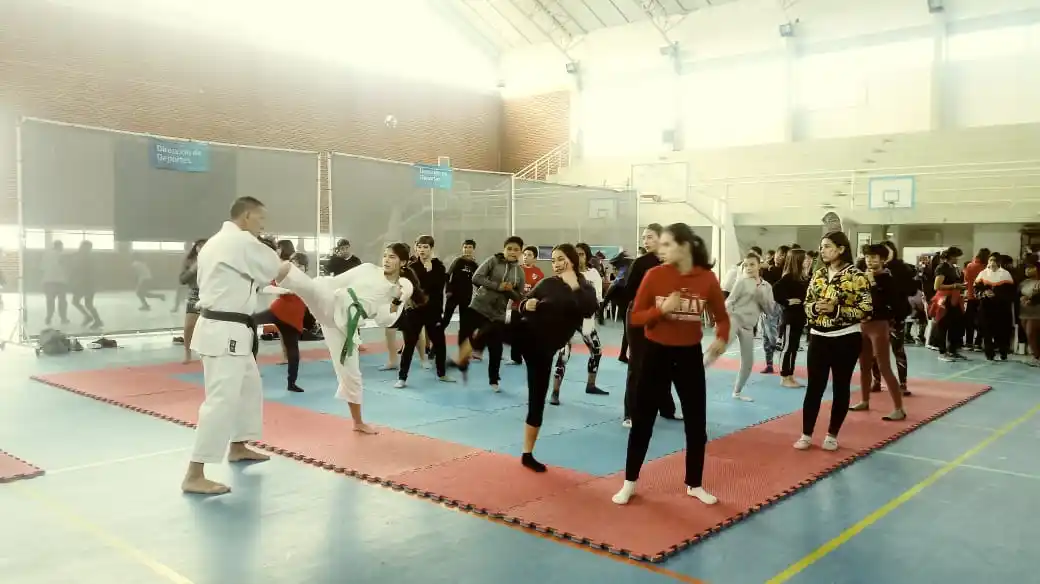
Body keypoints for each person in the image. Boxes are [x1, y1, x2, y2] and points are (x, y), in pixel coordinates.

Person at [612, 223, 730, 506]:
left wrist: (722, 338)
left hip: (689, 355)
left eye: (666, 245)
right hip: (656, 353)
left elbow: (722, 317)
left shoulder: (707, 279)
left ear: (685, 246)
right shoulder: (654, 275)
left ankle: (694, 483)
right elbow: (636, 317)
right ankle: (629, 481)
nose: (660, 251)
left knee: (696, 423)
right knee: (643, 420)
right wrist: (660, 310)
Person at [181, 197, 290, 496]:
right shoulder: (238, 241)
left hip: (231, 330)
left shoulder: (217, 243)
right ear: (246, 216)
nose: (262, 227)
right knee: (220, 401)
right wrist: (292, 269)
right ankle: (194, 473)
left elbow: (250, 278)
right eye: (260, 220)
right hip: (223, 330)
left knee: (249, 387)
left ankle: (239, 446)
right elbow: (276, 268)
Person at [280, 243, 419, 431]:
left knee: (351, 374)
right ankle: (272, 265)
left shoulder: (397, 290)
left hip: (346, 327)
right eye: (385, 255)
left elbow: (384, 320)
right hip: (333, 303)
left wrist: (398, 300)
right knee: (307, 286)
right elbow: (337, 282)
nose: (386, 260)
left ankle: (358, 423)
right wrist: (318, 284)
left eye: (392, 257)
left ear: (402, 261)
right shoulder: (368, 269)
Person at [516, 244, 599, 472]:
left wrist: (573, 284)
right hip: (527, 335)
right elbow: (523, 305)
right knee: (492, 330)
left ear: (572, 260)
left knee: (537, 400)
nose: (556, 264)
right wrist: (526, 304)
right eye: (553, 260)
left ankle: (527, 454)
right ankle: (469, 348)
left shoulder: (584, 287)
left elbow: (589, 309)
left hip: (544, 350)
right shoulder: (547, 283)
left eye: (561, 259)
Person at [795, 231, 871, 452]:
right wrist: (814, 308)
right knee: (814, 388)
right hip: (819, 338)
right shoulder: (818, 274)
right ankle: (806, 434)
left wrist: (837, 310)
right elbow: (807, 303)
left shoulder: (857, 276)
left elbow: (866, 309)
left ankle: (832, 434)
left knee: (841, 386)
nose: (823, 250)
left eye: (828, 246)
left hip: (846, 338)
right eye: (822, 246)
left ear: (841, 249)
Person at [622, 224, 680, 427]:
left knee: (663, 364)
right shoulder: (640, 263)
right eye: (644, 237)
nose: (645, 241)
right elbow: (628, 293)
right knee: (637, 366)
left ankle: (666, 409)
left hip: (661, 318)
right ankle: (630, 413)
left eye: (650, 237)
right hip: (639, 317)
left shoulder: (672, 262)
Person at [450, 236, 526, 391]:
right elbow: (476, 278)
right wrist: (498, 286)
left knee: (496, 348)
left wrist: (509, 289)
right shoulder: (493, 261)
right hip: (479, 306)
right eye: (509, 249)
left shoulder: (519, 272)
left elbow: (519, 296)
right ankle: (462, 359)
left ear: (520, 252)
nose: (512, 252)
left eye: (516, 249)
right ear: (504, 249)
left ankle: (494, 379)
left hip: (498, 313)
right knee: (466, 333)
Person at [849, 244, 907, 421]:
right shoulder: (860, 276)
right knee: (864, 364)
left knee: (884, 366)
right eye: (867, 257)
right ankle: (865, 400)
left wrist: (872, 283)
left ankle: (899, 408)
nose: (870, 260)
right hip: (862, 325)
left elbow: (887, 303)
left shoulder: (887, 278)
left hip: (879, 325)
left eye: (874, 257)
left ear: (882, 259)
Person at [549, 242, 609, 405]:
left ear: (587, 256)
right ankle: (555, 392)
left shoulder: (593, 274)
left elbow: (596, 299)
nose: (579, 257)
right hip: (565, 319)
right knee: (563, 354)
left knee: (596, 351)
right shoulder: (563, 274)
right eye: (576, 254)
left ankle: (591, 384)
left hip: (585, 318)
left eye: (582, 254)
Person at [396, 235, 453, 387]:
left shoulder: (439, 266)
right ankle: (402, 377)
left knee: (440, 342)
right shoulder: (411, 267)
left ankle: (442, 373)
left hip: (433, 311)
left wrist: (429, 271)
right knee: (409, 344)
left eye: (425, 247)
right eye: (419, 247)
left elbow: (438, 287)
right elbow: (410, 287)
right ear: (416, 248)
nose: (422, 250)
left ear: (431, 249)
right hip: (415, 311)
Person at [255, 251, 309, 393]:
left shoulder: (307, 281)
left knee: (293, 353)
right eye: (294, 264)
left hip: (293, 320)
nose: (296, 268)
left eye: (300, 265)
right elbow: (267, 288)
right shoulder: (284, 278)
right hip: (277, 312)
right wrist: (284, 290)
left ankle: (292, 383)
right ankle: (251, 366)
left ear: (304, 267)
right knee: (249, 321)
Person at [724, 253, 774, 402]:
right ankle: (691, 376)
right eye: (746, 265)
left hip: (748, 327)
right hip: (735, 320)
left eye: (752, 264)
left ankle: (737, 392)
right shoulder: (742, 281)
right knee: (719, 348)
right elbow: (729, 301)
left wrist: (761, 298)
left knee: (748, 362)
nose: (749, 267)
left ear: (759, 265)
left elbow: (770, 311)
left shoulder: (766, 286)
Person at [772, 248, 809, 388]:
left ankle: (790, 375)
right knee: (787, 348)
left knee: (794, 348)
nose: (807, 261)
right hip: (789, 318)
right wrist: (787, 302)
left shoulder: (803, 278)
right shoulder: (788, 277)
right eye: (805, 259)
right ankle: (784, 376)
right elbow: (774, 290)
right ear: (798, 261)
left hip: (799, 318)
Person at [974, 252, 1016, 361]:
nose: (992, 263)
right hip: (986, 308)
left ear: (999, 262)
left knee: (1002, 332)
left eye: (995, 261)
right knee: (986, 331)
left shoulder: (1006, 275)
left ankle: (1003, 352)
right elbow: (976, 290)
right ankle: (989, 354)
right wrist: (983, 294)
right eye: (990, 260)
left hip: (1001, 308)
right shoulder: (983, 274)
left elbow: (1011, 293)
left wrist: (997, 295)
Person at [932, 247, 967, 362]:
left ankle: (952, 350)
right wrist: (954, 286)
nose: (957, 259)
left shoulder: (954, 268)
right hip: (945, 298)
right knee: (943, 324)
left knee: (956, 324)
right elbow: (937, 286)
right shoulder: (942, 268)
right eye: (956, 256)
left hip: (955, 298)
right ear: (950, 257)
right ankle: (942, 351)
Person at [179, 239, 207, 364]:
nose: (201, 248)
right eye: (199, 246)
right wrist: (193, 269)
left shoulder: (215, 260)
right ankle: (187, 352)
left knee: (209, 326)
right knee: (189, 326)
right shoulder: (190, 261)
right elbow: (182, 279)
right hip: (195, 293)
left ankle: (207, 353)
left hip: (211, 292)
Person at [443, 239, 478, 328]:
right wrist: (448, 290)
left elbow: (478, 280)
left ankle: (463, 341)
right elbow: (447, 276)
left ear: (473, 249)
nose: (467, 249)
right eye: (465, 247)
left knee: (464, 321)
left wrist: (479, 293)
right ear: (462, 248)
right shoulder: (457, 261)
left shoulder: (474, 265)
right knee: (446, 319)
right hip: (453, 295)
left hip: (466, 295)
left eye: (470, 247)